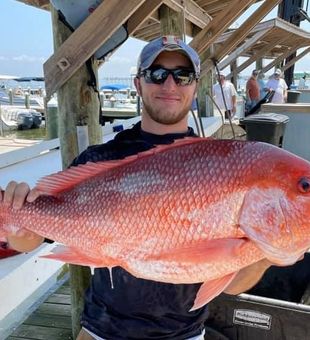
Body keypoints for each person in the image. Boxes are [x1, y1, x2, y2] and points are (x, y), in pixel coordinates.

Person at [1, 36, 275, 340]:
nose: (169, 85)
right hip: (100, 330)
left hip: (184, 333)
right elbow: (33, 239)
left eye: (182, 76)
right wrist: (18, 224)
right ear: (137, 84)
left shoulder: (218, 163)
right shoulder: (99, 159)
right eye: (156, 74)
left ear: (196, 86)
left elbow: (233, 283)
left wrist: (267, 252)